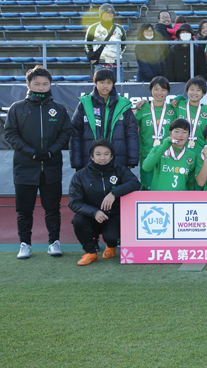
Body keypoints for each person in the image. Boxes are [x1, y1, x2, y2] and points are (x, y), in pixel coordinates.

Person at [5, 66, 72, 260]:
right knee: (24, 210)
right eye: (37, 84)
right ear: (28, 84)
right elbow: (10, 134)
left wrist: (51, 151)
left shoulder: (58, 109)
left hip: (51, 167)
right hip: (25, 168)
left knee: (52, 208)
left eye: (45, 84)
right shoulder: (17, 108)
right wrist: (31, 152)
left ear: (50, 84)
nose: (41, 87)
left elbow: (66, 132)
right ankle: (25, 244)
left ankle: (54, 242)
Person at [69, 140, 140, 266]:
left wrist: (114, 194)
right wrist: (94, 212)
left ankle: (111, 246)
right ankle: (90, 253)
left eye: (106, 154)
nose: (102, 157)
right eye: (98, 154)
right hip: (91, 217)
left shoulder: (119, 170)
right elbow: (74, 202)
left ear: (112, 156)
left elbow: (135, 183)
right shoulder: (80, 176)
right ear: (92, 156)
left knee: (112, 237)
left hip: (112, 216)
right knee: (78, 220)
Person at [70, 69, 139, 171]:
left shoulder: (123, 105)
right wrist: (77, 161)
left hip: (118, 161)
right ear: (95, 83)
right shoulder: (84, 103)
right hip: (89, 161)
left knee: (117, 187)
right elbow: (75, 133)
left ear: (113, 84)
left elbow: (131, 133)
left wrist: (132, 159)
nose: (105, 86)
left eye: (109, 83)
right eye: (102, 82)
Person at [135, 76, 176, 190]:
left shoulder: (172, 110)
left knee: (164, 187)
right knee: (147, 188)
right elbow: (132, 130)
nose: (160, 93)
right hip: (147, 154)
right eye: (156, 89)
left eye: (163, 89)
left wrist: (179, 96)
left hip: (168, 156)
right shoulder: (142, 108)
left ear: (168, 91)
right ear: (150, 90)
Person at [142, 118, 197, 191]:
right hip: (158, 198)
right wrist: (165, 146)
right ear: (170, 133)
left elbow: (191, 182)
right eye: (176, 131)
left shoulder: (192, 155)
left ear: (189, 135)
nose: (180, 135)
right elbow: (146, 167)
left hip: (181, 199)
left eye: (184, 132)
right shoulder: (158, 149)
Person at [85, 3, 127, 80]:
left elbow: (123, 45)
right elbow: (87, 44)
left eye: (111, 13)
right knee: (100, 89)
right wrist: (93, 56)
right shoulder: (93, 28)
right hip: (101, 64)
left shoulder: (120, 29)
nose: (109, 15)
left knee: (118, 89)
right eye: (106, 13)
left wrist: (118, 55)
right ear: (101, 14)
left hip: (117, 64)